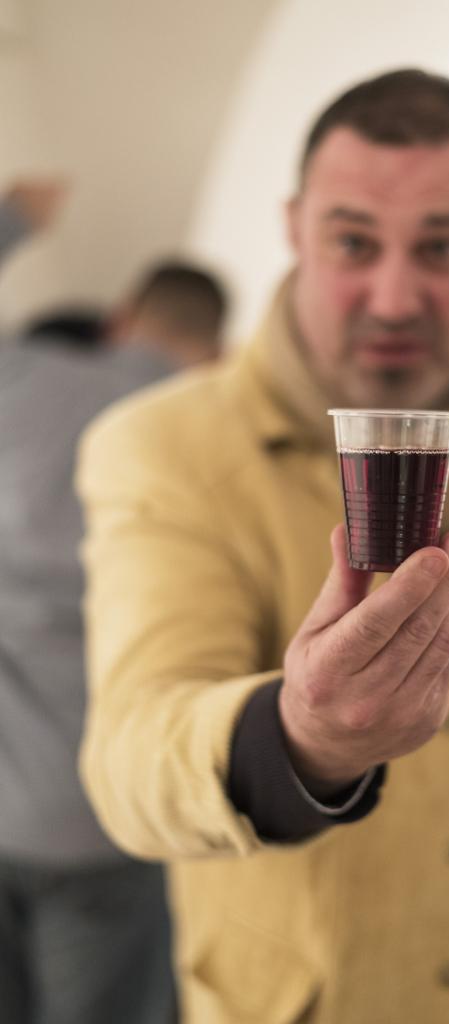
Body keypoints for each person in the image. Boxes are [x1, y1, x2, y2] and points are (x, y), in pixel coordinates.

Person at [76, 70, 449, 1024]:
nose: (395, 297)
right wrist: (304, 737)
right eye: (354, 242)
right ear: (294, 229)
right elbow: (130, 759)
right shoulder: (169, 447)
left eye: (440, 246)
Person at [0, 181, 228, 1023]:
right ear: (216, 348)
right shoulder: (211, 430)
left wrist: (13, 219)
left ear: (123, 314)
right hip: (116, 818)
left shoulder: (17, 379)